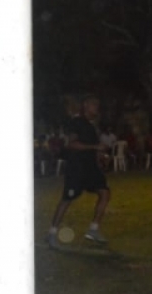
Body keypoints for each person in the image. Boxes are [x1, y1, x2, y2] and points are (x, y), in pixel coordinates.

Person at [46, 94, 111, 245]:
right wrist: (95, 147)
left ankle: (93, 230)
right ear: (86, 105)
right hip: (77, 167)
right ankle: (52, 233)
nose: (97, 108)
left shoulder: (91, 125)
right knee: (68, 199)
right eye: (94, 104)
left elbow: (92, 147)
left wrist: (100, 156)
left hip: (90, 168)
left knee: (105, 193)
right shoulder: (77, 122)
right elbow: (71, 144)